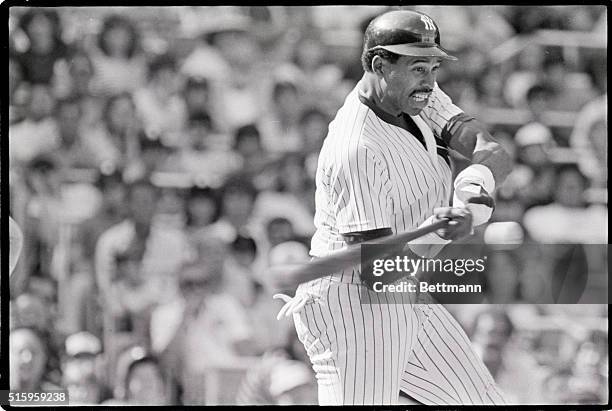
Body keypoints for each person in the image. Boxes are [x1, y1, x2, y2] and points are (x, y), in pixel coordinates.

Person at [275, 10, 512, 405]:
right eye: (419, 67)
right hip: (351, 305)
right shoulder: (358, 147)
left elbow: (492, 151)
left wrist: (475, 185)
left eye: (434, 66)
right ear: (379, 64)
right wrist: (441, 228)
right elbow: (378, 274)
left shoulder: (417, 94)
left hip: (405, 291)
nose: (430, 80)